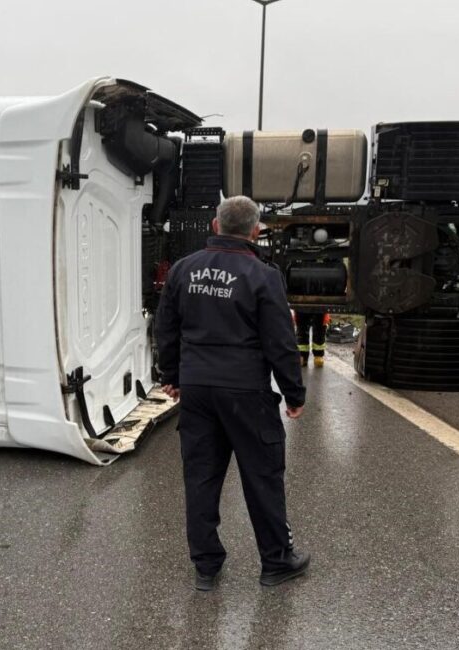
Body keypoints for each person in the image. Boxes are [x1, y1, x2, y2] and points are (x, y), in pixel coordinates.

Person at [155, 195, 309, 591]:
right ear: (255, 231)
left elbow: (166, 327)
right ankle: (276, 561)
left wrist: (170, 374)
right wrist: (294, 393)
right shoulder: (263, 274)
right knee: (262, 476)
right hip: (245, 392)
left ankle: (206, 566)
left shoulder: (184, 270)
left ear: (214, 224)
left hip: (198, 391)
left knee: (201, 476)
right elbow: (280, 340)